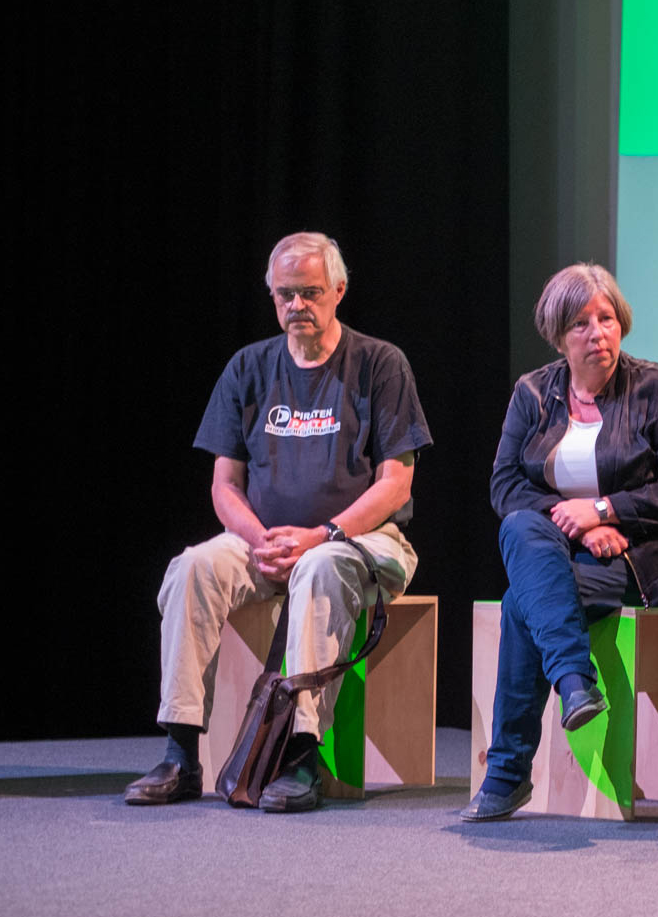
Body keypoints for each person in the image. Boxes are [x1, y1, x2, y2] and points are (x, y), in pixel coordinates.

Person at [126, 232, 432, 813]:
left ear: (338, 290)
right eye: (285, 294)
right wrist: (256, 537)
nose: (297, 306)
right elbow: (225, 486)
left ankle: (299, 754)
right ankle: (180, 752)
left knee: (318, 566)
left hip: (360, 540)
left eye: (310, 292)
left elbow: (396, 482)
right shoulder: (248, 367)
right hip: (266, 542)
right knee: (192, 567)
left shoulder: (379, 363)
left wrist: (322, 534)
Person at [461, 263, 658, 821]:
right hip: (563, 556)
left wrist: (604, 510)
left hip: (644, 562)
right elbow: (504, 484)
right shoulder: (534, 393)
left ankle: (509, 768)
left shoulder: (655, 389)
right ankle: (571, 683)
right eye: (581, 323)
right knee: (520, 526)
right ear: (557, 335)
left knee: (522, 601)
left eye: (607, 318)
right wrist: (574, 521)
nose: (598, 332)